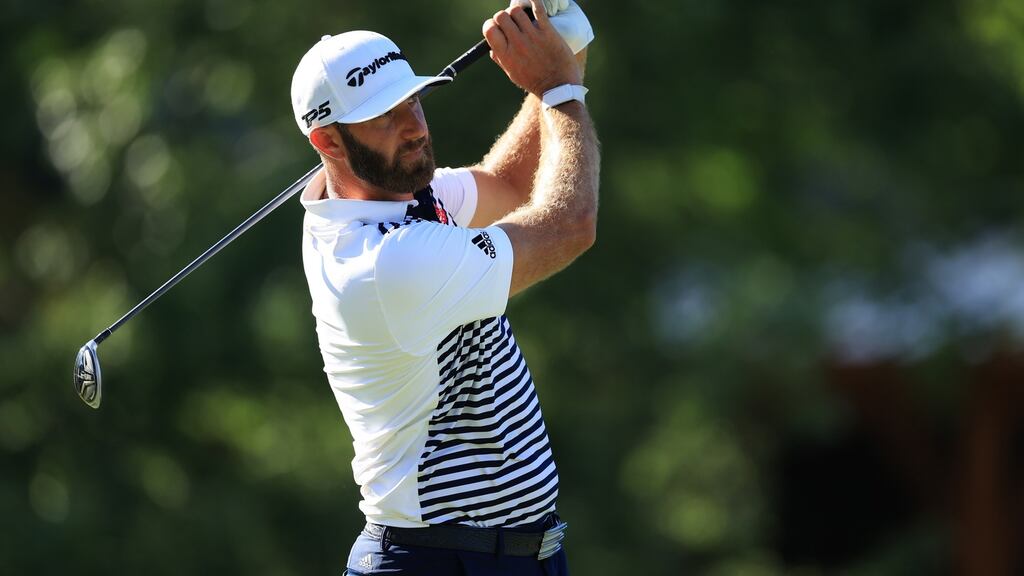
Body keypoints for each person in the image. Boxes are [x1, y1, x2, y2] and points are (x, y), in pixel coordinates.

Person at [289, 1, 598, 574]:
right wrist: (559, 90)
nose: (414, 126)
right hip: (436, 560)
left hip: (514, 555)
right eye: (385, 116)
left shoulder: (400, 200)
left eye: (413, 100)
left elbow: (507, 184)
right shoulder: (385, 263)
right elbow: (568, 226)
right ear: (328, 143)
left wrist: (564, 40)